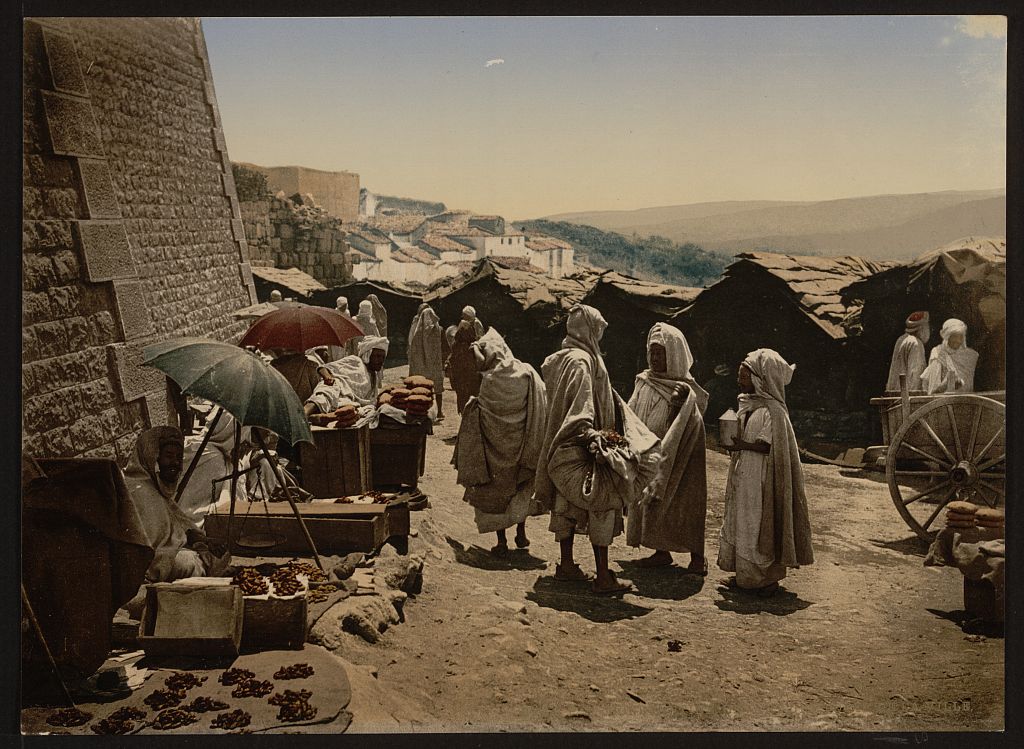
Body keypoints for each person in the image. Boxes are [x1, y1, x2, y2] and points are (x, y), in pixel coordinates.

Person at [533, 304, 660, 595]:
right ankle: (603, 576)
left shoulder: (567, 357)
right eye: (598, 330)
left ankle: (566, 566)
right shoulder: (581, 361)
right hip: (584, 444)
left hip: (564, 444)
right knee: (602, 502)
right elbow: (581, 406)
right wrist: (595, 435)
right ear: (589, 330)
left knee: (567, 505)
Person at [718, 349, 814, 597]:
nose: (739, 381)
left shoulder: (774, 412)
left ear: (761, 379)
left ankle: (762, 580)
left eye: (744, 377)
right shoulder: (749, 405)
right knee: (743, 520)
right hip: (745, 473)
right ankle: (744, 574)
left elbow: (767, 445)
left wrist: (742, 445)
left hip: (762, 478)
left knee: (759, 523)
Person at [453, 330, 547, 556]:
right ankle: (521, 532)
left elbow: (483, 410)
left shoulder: (490, 380)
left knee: (496, 493)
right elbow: (542, 398)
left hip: (495, 450)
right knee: (520, 486)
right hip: (522, 445)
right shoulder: (526, 373)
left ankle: (502, 541)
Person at [627, 323, 709, 574]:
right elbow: (630, 411)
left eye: (660, 352)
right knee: (652, 499)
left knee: (686, 501)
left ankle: (697, 556)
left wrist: (677, 405)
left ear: (673, 354)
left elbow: (687, 420)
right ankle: (661, 551)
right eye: (651, 351)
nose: (654, 357)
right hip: (651, 451)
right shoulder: (644, 381)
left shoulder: (685, 388)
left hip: (681, 452)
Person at [123, 426, 230, 582]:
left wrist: (204, 541)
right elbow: (150, 548)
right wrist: (190, 548)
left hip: (171, 551)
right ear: (153, 456)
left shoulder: (155, 486)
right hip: (149, 562)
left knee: (219, 554)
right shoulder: (138, 491)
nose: (174, 463)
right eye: (168, 456)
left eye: (179, 458)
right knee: (189, 562)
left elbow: (179, 527)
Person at [305, 336, 389, 416]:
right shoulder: (355, 361)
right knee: (327, 392)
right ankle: (302, 415)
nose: (381, 361)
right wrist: (327, 377)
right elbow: (324, 368)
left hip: (348, 400)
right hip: (336, 387)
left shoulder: (374, 377)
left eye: (383, 357)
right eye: (377, 356)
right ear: (367, 355)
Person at [408, 303, 450, 422]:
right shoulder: (439, 329)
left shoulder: (418, 331)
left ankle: (422, 411)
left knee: (422, 386)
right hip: (435, 364)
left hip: (422, 365)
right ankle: (440, 411)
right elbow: (445, 346)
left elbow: (413, 347)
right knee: (437, 387)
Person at [920, 318, 979, 394]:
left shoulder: (971, 355)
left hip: (966, 400)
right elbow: (933, 385)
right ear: (947, 337)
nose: (958, 340)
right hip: (943, 399)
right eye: (954, 336)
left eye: (960, 337)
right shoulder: (938, 352)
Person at [448, 310, 483, 414]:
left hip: (462, 381)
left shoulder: (457, 346)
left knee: (463, 400)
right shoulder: (474, 347)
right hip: (471, 380)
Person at [886, 311, 930, 392]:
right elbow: (915, 375)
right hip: (907, 396)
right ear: (922, 328)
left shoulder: (901, 339)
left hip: (895, 393)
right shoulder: (916, 344)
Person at [326, 296, 353, 362]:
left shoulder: (347, 312)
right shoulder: (334, 313)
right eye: (343, 305)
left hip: (344, 337)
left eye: (345, 305)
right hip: (336, 337)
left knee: (343, 354)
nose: (344, 307)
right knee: (335, 354)